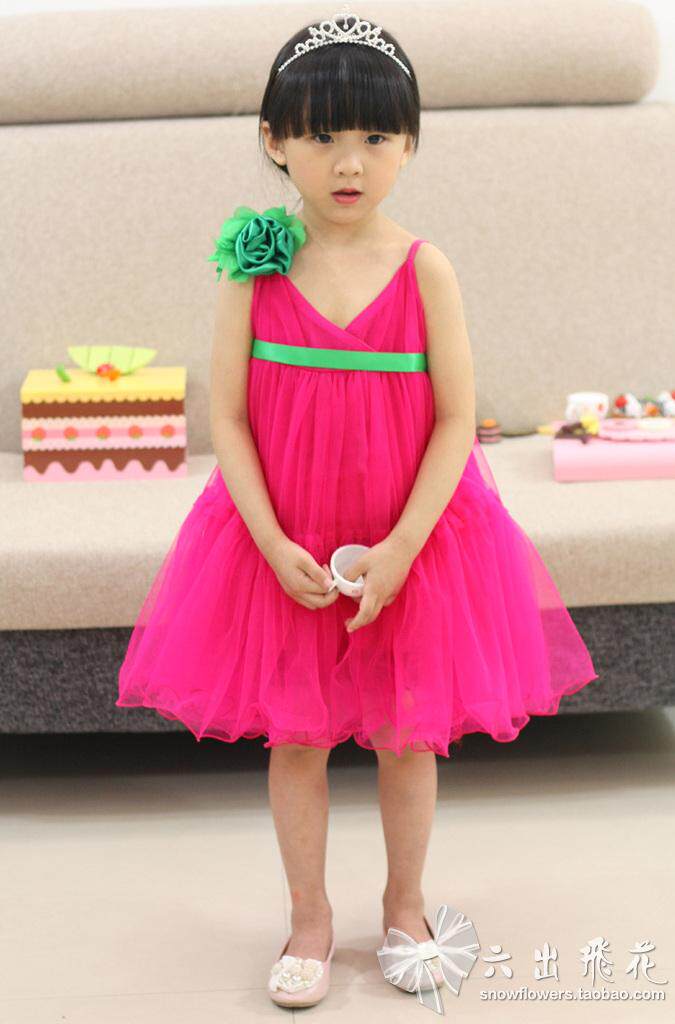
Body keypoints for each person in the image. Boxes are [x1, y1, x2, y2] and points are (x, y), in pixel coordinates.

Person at [116, 5, 599, 1008]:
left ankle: (405, 905)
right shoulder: (256, 268)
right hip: (284, 538)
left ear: (410, 143)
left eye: (376, 137)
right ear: (273, 140)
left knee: (407, 733)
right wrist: (267, 538)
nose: (349, 162)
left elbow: (457, 418)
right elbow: (229, 420)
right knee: (296, 736)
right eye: (322, 135)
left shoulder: (425, 269)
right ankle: (308, 917)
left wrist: (404, 545)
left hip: (408, 539)